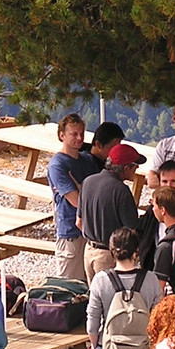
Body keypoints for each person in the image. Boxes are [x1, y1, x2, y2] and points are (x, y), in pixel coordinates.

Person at [86, 226, 163, 349]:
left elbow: (92, 322)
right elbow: (159, 321)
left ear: (112, 251)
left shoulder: (101, 280)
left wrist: (95, 347)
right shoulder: (150, 279)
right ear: (136, 251)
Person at [78, 143, 145, 282]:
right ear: (126, 168)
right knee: (113, 295)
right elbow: (132, 230)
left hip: (88, 250)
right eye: (135, 166)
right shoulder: (121, 191)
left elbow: (79, 222)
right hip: (109, 255)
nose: (137, 169)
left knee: (94, 294)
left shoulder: (88, 182)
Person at [48, 113, 100, 280]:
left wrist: (79, 186)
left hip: (91, 232)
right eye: (74, 134)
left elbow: (99, 192)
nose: (79, 138)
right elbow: (77, 201)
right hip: (70, 232)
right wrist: (84, 190)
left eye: (82, 133)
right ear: (62, 135)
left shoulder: (88, 160)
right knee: (69, 286)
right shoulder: (57, 165)